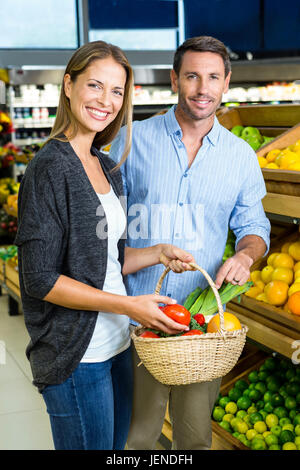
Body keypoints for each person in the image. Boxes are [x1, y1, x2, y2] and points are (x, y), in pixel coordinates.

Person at [14, 40, 196, 451]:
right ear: (68, 85)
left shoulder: (105, 164)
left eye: (117, 91)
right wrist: (131, 306)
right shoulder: (49, 168)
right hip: (77, 355)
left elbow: (105, 260)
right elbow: (40, 280)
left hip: (116, 344)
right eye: (95, 86)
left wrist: (156, 252)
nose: (106, 101)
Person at [109, 35, 271, 450]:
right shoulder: (130, 141)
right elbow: (103, 232)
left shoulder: (240, 157)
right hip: (135, 318)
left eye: (213, 77)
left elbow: (255, 227)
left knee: (194, 438)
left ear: (227, 81)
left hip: (202, 326)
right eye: (193, 76)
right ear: (174, 80)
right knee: (136, 436)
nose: (203, 89)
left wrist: (245, 255)